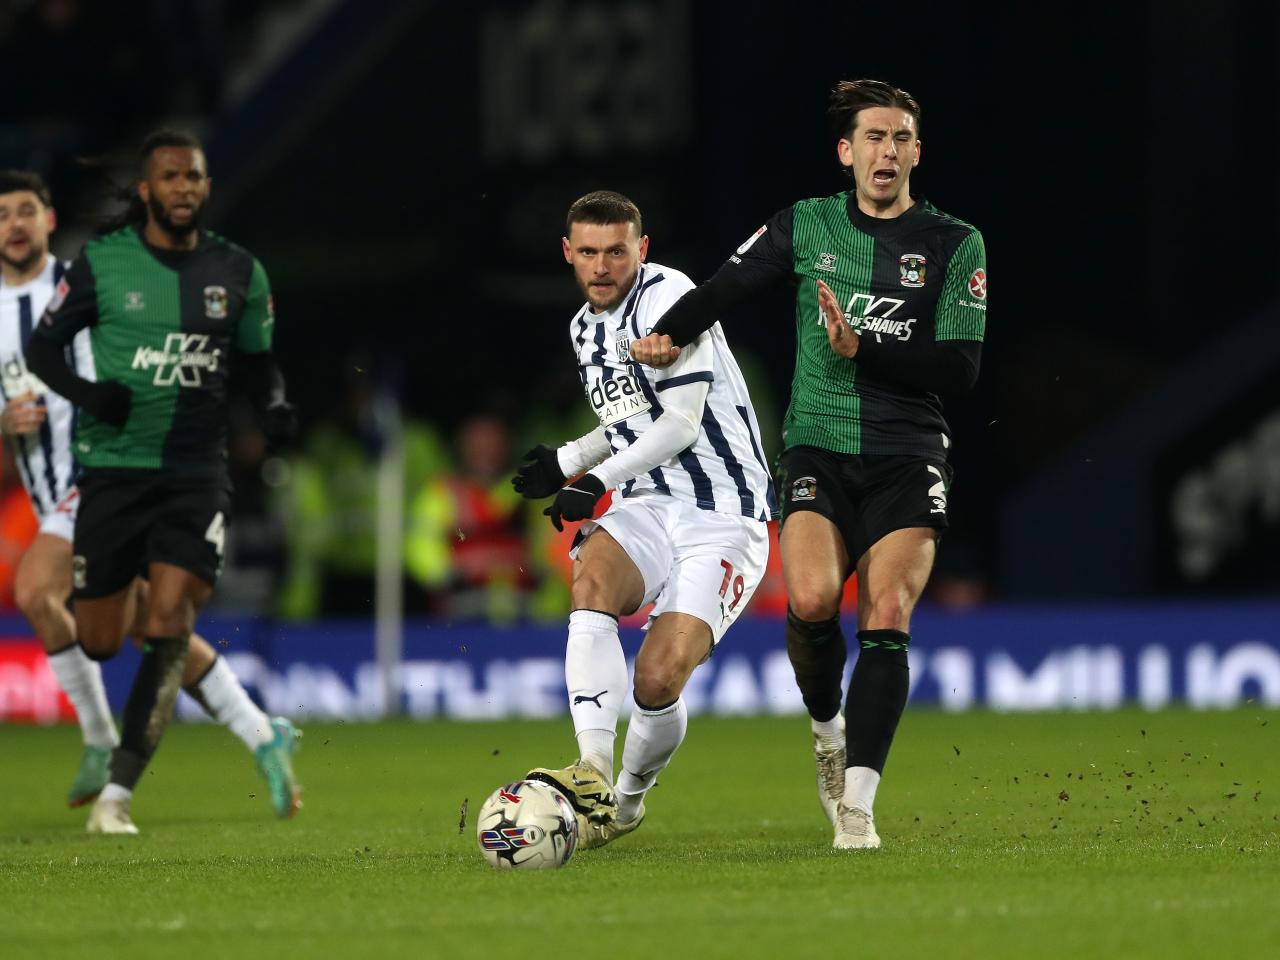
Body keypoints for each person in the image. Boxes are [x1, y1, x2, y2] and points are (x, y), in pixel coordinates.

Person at [631, 79, 987, 849]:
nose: (887, 151)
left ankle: (857, 802)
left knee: (886, 612)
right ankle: (828, 731)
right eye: (873, 138)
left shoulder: (955, 242)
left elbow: (961, 369)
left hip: (909, 454)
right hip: (817, 449)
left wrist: (865, 347)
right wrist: (665, 335)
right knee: (816, 599)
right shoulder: (807, 224)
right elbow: (724, 288)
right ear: (846, 152)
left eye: (900, 138)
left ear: (917, 153)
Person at [24, 132, 302, 834]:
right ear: (147, 189)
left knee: (170, 620)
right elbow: (42, 348)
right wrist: (91, 395)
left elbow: (259, 360)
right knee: (99, 639)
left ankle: (117, 793)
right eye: (171, 176)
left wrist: (273, 404)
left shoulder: (238, 270)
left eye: (194, 176)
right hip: (113, 472)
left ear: (207, 186)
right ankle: (260, 730)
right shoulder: (105, 263)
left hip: (194, 473)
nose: (184, 187)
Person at [512, 190, 774, 848]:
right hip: (649, 501)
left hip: (723, 510)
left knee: (656, 679)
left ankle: (625, 802)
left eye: (616, 251)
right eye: (589, 252)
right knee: (592, 579)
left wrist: (592, 480)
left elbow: (681, 424)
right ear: (568, 253)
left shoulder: (668, 297)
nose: (602, 267)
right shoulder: (582, 328)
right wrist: (567, 459)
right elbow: (630, 418)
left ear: (642, 249)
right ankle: (593, 771)